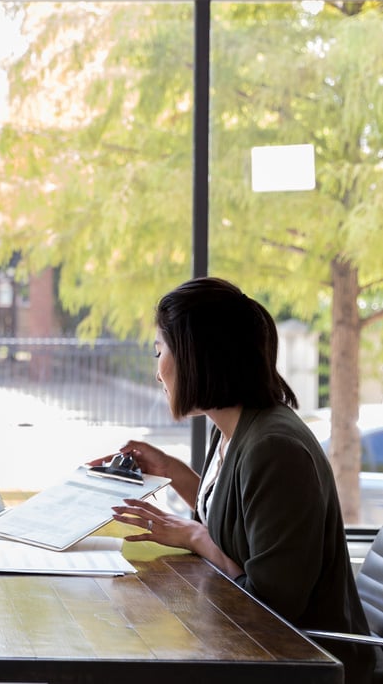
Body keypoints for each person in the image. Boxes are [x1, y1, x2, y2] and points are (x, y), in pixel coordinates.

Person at [91, 276, 374, 683]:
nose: (157, 373)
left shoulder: (274, 448)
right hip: (251, 644)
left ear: (195, 356)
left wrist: (194, 538)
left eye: (159, 352)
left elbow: (270, 608)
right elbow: (230, 521)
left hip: (301, 659)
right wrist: (171, 471)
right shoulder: (231, 427)